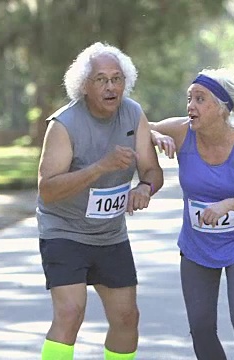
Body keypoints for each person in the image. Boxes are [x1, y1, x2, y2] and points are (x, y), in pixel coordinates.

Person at [37, 42, 164, 360]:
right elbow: (47, 190)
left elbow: (151, 169)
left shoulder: (133, 114)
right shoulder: (64, 125)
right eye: (101, 80)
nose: (111, 87)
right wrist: (100, 167)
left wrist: (145, 187)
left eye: (117, 78)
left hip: (110, 234)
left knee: (126, 318)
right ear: (84, 86)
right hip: (64, 231)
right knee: (70, 313)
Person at [149, 68, 234, 360]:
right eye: (189, 99)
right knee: (200, 325)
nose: (190, 106)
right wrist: (153, 134)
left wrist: (231, 204)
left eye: (200, 99)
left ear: (222, 108)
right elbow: (133, 128)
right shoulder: (182, 131)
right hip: (197, 246)